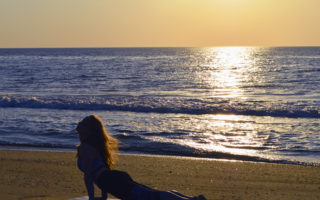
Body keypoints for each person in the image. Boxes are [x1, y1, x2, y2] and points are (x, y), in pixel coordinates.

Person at [76, 114, 207, 200]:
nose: (79, 122)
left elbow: (89, 176)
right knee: (151, 194)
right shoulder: (92, 146)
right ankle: (191, 199)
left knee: (152, 196)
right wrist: (103, 197)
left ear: (89, 130)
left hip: (112, 181)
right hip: (113, 179)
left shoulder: (86, 147)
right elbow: (99, 173)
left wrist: (92, 199)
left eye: (83, 122)